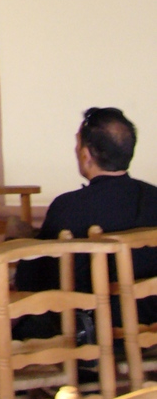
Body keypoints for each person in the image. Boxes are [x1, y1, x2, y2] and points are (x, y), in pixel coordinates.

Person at [14, 107, 157, 326]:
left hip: (91, 330)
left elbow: (33, 282)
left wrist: (20, 240)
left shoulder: (68, 206)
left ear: (86, 154)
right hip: (150, 324)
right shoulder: (153, 196)